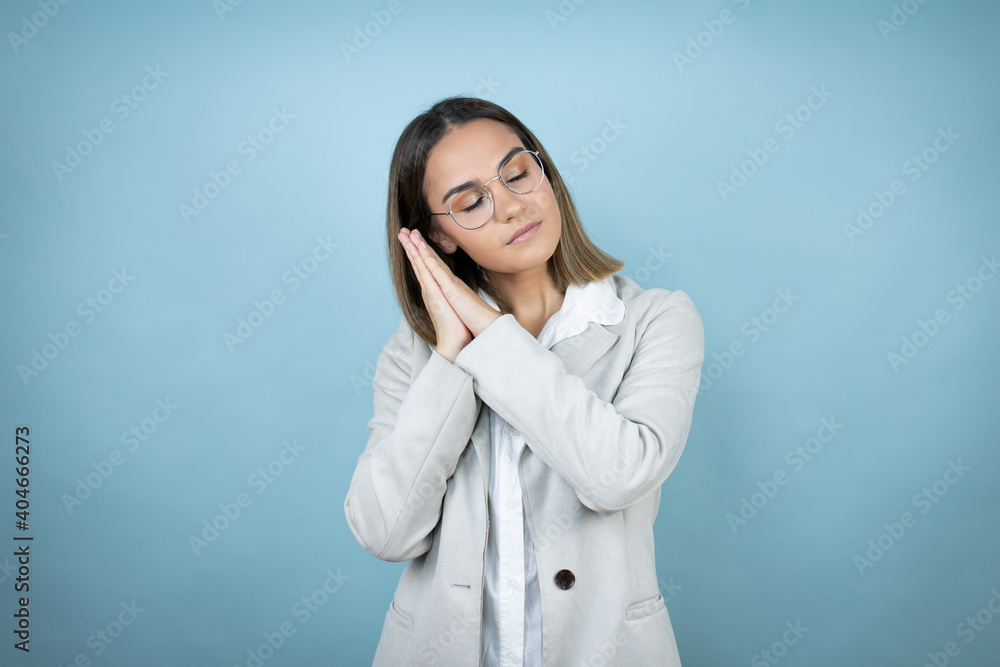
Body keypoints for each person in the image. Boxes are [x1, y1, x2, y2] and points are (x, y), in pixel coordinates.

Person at [343, 96, 705, 666]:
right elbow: (386, 533)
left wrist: (492, 337)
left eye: (517, 174)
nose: (512, 206)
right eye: (470, 202)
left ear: (546, 174)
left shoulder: (655, 319)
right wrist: (452, 358)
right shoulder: (412, 355)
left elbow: (616, 476)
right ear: (438, 238)